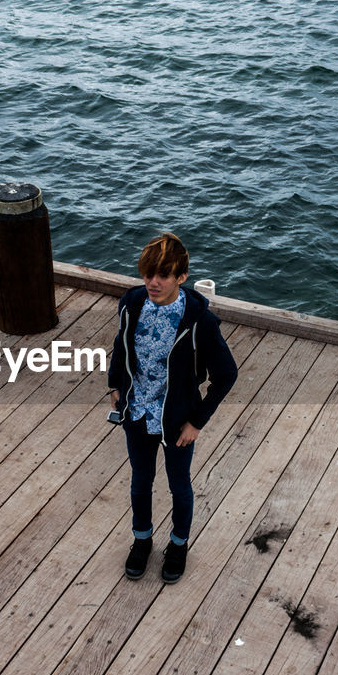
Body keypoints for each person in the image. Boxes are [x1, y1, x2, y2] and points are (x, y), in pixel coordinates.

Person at [107, 232, 238, 584]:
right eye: (148, 273)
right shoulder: (132, 303)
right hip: (136, 415)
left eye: (163, 275)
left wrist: (197, 421)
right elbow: (121, 346)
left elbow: (226, 374)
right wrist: (115, 384)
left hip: (178, 422)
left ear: (181, 277)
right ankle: (142, 540)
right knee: (140, 481)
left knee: (179, 486)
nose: (153, 282)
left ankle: (178, 545)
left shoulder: (200, 323)